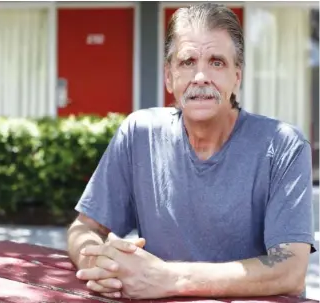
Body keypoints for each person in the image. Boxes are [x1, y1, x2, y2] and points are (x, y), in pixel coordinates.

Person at [66, 3, 316, 300]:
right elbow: (83, 228)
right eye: (187, 62)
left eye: (217, 62)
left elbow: (290, 270)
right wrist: (99, 263)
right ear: (169, 76)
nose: (200, 77)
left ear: (237, 76)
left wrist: (170, 278)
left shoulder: (283, 146)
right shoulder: (139, 134)